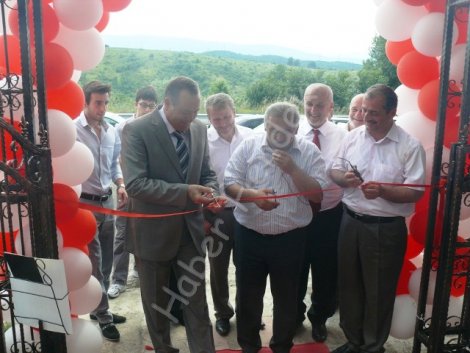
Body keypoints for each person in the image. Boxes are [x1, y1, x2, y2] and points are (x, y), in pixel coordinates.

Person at [121, 76, 224, 353]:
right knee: (157, 306)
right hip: (152, 237)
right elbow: (135, 184)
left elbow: (207, 173)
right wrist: (185, 192)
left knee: (197, 303)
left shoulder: (199, 129)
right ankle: (164, 349)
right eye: (186, 113)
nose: (191, 119)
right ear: (167, 103)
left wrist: (211, 193)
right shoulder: (137, 130)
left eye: (195, 112)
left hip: (190, 232)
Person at [224, 102, 328, 353]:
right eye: (274, 129)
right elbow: (229, 183)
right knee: (248, 297)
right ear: (266, 124)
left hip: (290, 239)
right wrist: (251, 196)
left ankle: (282, 346)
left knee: (287, 298)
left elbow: (317, 195)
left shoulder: (308, 151)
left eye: (287, 131)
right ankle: (249, 346)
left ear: (295, 128)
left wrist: (293, 169)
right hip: (249, 236)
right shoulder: (249, 145)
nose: (280, 136)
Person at [329, 84, 426, 353]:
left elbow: (416, 192)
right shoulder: (352, 137)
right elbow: (334, 170)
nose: (366, 117)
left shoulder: (409, 145)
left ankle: (372, 346)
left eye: (374, 112)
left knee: (378, 292)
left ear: (392, 112)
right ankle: (354, 341)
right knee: (348, 286)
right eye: (363, 110)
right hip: (349, 222)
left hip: (385, 229)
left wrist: (383, 190)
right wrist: (343, 178)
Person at [75, 81, 127, 341]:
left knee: (106, 259)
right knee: (95, 260)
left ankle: (99, 307)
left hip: (108, 202)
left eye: (106, 102)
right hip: (84, 203)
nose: (103, 108)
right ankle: (104, 316)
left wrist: (120, 184)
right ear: (85, 102)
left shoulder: (111, 131)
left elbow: (115, 163)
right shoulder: (73, 130)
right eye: (98, 102)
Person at [296, 83, 346, 342]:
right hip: (296, 215)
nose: (313, 110)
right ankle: (294, 316)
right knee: (294, 269)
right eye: (308, 103)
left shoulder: (343, 136)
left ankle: (319, 318)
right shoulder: (291, 131)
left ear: (331, 107)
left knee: (326, 272)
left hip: (329, 215)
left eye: (319, 104)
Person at [204, 93, 254, 336]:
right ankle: (223, 313)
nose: (222, 123)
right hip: (218, 214)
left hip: (248, 212)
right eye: (216, 119)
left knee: (247, 266)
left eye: (226, 117)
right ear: (209, 118)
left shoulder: (251, 136)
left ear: (234, 112)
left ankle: (248, 313)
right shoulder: (203, 140)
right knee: (218, 268)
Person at [107, 85, 158, 299]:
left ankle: (140, 271)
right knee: (122, 234)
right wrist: (122, 185)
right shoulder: (122, 128)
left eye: (151, 106)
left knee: (145, 232)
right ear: (135, 105)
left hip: (147, 190)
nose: (147, 109)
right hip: (126, 190)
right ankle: (118, 280)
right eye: (144, 105)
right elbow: (115, 161)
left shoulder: (155, 130)